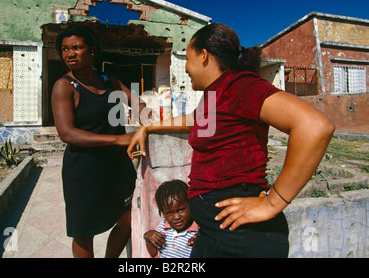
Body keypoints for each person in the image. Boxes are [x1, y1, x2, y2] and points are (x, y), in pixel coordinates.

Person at [127, 23, 335, 257]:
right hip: (213, 232)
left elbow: (315, 126)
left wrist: (273, 202)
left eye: (188, 58)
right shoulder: (216, 94)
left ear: (203, 55)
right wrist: (147, 127)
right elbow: (193, 120)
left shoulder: (242, 86)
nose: (186, 67)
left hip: (242, 236)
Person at [51, 24, 151, 258]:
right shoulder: (64, 86)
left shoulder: (109, 81)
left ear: (92, 50)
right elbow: (67, 133)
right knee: (85, 232)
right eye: (65, 49)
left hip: (117, 166)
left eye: (77, 47)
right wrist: (118, 139)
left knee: (127, 219)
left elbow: (137, 103)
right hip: (84, 168)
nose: (70, 54)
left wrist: (148, 119)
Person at [144, 180, 198, 258]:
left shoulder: (198, 231)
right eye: (170, 213)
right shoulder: (163, 227)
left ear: (190, 204)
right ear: (163, 213)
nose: (177, 217)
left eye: (180, 210)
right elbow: (154, 254)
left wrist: (201, 242)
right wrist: (148, 238)